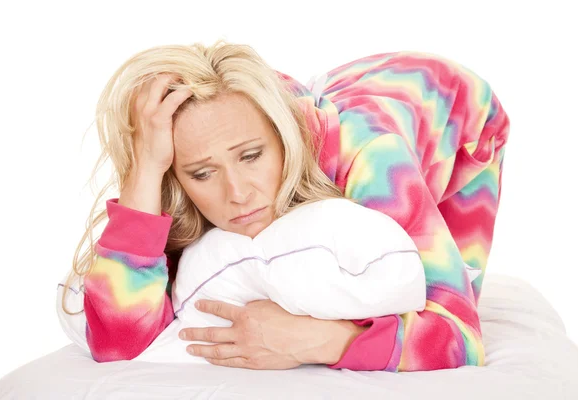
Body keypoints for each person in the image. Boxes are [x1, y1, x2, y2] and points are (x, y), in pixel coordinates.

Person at [58, 39, 510, 372]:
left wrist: (319, 339)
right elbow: (117, 344)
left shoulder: (374, 157)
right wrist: (143, 170)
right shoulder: (181, 164)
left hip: (457, 111)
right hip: (329, 92)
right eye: (202, 173)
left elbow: (461, 340)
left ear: (283, 136)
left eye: (252, 156)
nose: (237, 193)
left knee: (443, 282)